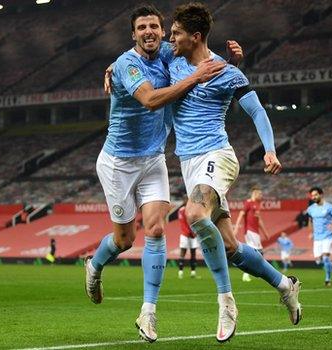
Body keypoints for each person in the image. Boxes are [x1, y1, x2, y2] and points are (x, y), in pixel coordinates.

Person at [84, 5, 234, 343]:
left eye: (154, 26)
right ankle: (94, 266)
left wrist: (234, 59)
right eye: (141, 27)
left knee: (154, 229)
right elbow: (150, 100)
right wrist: (193, 78)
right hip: (118, 163)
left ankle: (147, 314)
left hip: (153, 159)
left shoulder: (168, 51)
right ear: (133, 34)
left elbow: (201, 54)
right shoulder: (127, 64)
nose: (149, 31)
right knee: (124, 240)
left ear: (163, 31)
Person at [168, 3, 301, 341]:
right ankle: (284, 284)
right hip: (188, 163)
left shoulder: (229, 74)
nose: (171, 38)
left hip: (218, 155)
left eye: (177, 33)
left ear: (195, 36)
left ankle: (226, 301)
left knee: (194, 213)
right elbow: (141, 56)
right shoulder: (172, 63)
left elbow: (256, 111)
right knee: (229, 247)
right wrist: (114, 67)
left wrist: (270, 149)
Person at [307, 187, 332, 287]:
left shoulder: (329, 207)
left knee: (326, 257)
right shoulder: (310, 209)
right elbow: (310, 221)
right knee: (318, 261)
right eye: (312, 195)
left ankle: (327, 279)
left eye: (315, 195)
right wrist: (311, 232)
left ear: (321, 195)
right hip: (317, 237)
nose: (313, 197)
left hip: (328, 236)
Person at [234, 185, 269, 282]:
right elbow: (241, 214)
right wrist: (236, 228)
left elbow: (259, 219)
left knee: (258, 253)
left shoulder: (257, 204)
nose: (261, 195)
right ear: (255, 193)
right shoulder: (248, 203)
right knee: (258, 252)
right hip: (250, 231)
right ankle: (249, 274)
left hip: (256, 232)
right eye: (260, 193)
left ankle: (253, 273)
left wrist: (265, 232)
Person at [177, 199, 198, 279]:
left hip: (191, 235)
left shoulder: (191, 210)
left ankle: (192, 272)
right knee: (183, 252)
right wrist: (191, 233)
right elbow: (184, 223)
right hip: (186, 235)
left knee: (193, 253)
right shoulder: (182, 210)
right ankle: (181, 271)